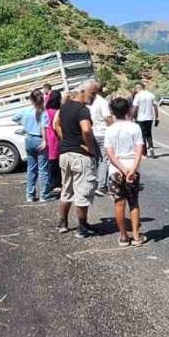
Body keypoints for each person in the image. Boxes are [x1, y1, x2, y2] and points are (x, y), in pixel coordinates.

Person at [54, 84, 100, 237]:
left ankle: (63, 222)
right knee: (83, 191)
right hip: (80, 156)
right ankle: (82, 226)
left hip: (65, 154)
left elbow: (56, 124)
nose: (94, 97)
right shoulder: (82, 110)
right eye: (92, 94)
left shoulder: (65, 107)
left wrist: (65, 139)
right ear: (82, 92)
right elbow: (86, 129)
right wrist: (90, 147)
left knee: (66, 190)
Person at [105, 96, 147, 246]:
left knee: (119, 203)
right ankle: (136, 236)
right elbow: (139, 150)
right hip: (132, 167)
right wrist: (132, 169)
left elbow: (110, 153)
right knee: (133, 202)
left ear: (112, 112)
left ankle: (123, 236)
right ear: (129, 110)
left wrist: (122, 169)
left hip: (116, 169)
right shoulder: (135, 127)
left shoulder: (110, 130)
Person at [13, 90, 50, 202]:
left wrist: (24, 125)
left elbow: (14, 118)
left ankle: (30, 194)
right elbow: (43, 128)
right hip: (39, 139)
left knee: (31, 168)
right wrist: (45, 141)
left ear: (31, 99)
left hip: (29, 139)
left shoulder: (25, 111)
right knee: (43, 169)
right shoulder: (43, 112)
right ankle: (44, 194)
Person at [89, 82, 114, 195]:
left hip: (92, 132)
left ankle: (96, 181)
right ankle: (102, 185)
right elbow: (107, 117)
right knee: (104, 159)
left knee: (96, 159)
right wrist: (114, 127)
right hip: (102, 133)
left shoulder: (90, 102)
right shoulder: (102, 102)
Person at [44, 86, 63, 198]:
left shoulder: (46, 112)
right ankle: (57, 184)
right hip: (56, 138)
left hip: (47, 138)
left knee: (50, 163)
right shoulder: (58, 112)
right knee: (57, 163)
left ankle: (51, 184)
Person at [132, 82, 159, 158]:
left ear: (138, 88)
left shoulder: (138, 95)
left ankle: (144, 153)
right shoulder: (151, 95)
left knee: (142, 135)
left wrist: (132, 116)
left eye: (136, 88)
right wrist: (157, 117)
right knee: (149, 134)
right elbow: (155, 107)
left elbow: (135, 108)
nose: (135, 90)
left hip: (140, 118)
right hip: (149, 118)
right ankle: (151, 147)